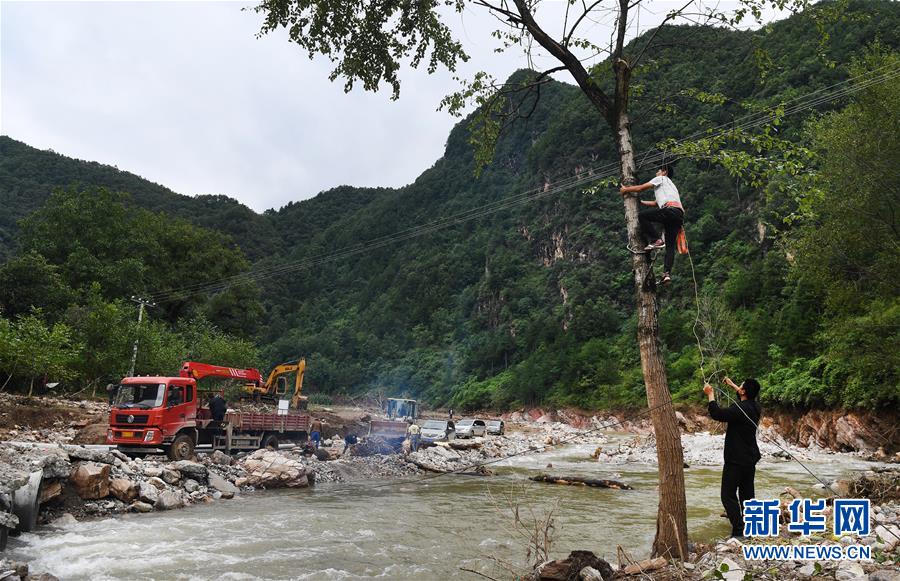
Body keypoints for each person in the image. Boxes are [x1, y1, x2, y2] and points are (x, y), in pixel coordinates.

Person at [704, 376, 762, 539]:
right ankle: (751, 529)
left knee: (728, 495)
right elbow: (744, 394)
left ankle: (738, 531)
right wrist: (732, 385)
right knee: (747, 495)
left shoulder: (739, 409)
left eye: (741, 387)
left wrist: (710, 394)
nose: (739, 389)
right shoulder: (756, 407)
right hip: (750, 458)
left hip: (736, 459)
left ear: (744, 391)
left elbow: (717, 413)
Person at [619, 164, 684, 285]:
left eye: (658, 170)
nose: (656, 173)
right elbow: (655, 203)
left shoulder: (661, 179)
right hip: (678, 214)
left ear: (664, 172)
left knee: (642, 216)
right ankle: (666, 274)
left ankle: (656, 240)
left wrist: (626, 190)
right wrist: (641, 202)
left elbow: (642, 188)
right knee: (670, 246)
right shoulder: (671, 186)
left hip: (669, 210)